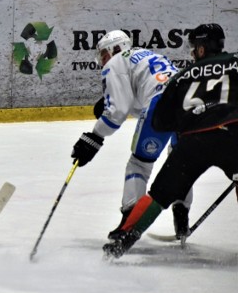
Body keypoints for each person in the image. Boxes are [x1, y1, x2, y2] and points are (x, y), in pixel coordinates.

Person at [103, 23, 238, 258]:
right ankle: (180, 215)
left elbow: (163, 119)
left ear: (202, 50)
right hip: (234, 133)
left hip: (194, 141)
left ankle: (121, 242)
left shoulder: (183, 76)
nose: (193, 53)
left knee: (157, 196)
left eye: (194, 48)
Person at [70, 30, 192, 240]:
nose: (103, 60)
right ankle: (181, 216)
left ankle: (130, 222)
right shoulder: (149, 54)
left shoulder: (115, 63)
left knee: (139, 164)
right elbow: (142, 97)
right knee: (180, 161)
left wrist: (94, 137)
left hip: (161, 107)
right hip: (188, 103)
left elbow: (117, 113)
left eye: (103, 54)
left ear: (114, 49)